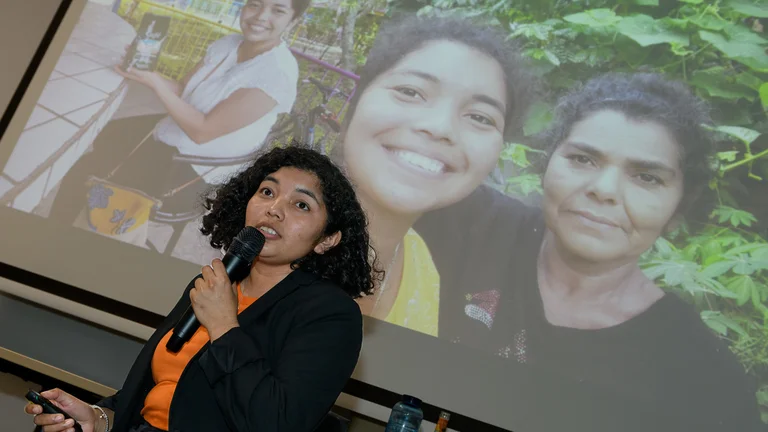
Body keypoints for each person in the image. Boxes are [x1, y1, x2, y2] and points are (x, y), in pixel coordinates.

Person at [414, 73, 764, 431]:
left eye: (647, 177)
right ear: (548, 164)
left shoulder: (697, 375)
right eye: (583, 159)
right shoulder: (461, 225)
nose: (604, 189)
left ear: (678, 208)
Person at [26, 145, 381, 432]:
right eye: (267, 192)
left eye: (301, 204)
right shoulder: (213, 284)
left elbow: (276, 422)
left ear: (327, 239)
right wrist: (99, 419)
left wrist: (225, 326)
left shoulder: (330, 314)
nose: (274, 209)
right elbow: (159, 395)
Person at [334, 15, 535, 337]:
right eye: (411, 91)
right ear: (354, 105)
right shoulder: (254, 232)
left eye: (480, 117)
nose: (440, 127)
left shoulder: (421, 266)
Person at [49, 0, 305, 226]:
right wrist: (144, 73)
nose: (260, 16)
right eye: (254, 4)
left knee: (87, 170)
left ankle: (74, 235)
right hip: (173, 136)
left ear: (292, 20)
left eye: (277, 10)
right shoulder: (229, 43)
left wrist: (156, 83)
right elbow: (183, 88)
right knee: (105, 133)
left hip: (192, 171)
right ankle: (73, 225)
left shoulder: (277, 73)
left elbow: (202, 131)